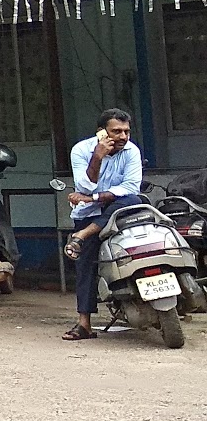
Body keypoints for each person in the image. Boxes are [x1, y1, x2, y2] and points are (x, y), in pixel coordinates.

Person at [60, 108, 143, 341]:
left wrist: (93, 198)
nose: (123, 137)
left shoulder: (131, 151)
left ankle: (81, 235)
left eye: (126, 131)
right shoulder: (81, 150)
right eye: (116, 131)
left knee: (134, 200)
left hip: (119, 210)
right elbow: (84, 186)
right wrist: (97, 157)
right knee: (85, 266)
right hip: (89, 213)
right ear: (101, 132)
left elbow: (131, 188)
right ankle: (84, 324)